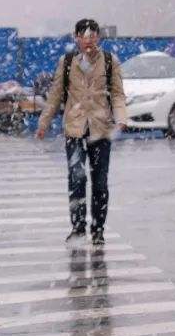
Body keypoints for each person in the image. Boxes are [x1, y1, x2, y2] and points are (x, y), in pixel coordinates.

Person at [36, 19, 127, 245]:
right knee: (77, 178)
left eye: (93, 35)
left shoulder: (108, 61)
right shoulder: (67, 62)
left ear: (98, 38)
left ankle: (98, 229)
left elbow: (117, 93)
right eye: (84, 36)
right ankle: (78, 227)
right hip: (75, 129)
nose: (89, 40)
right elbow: (56, 94)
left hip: (101, 129)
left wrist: (121, 118)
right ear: (76, 38)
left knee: (99, 182)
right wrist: (44, 122)